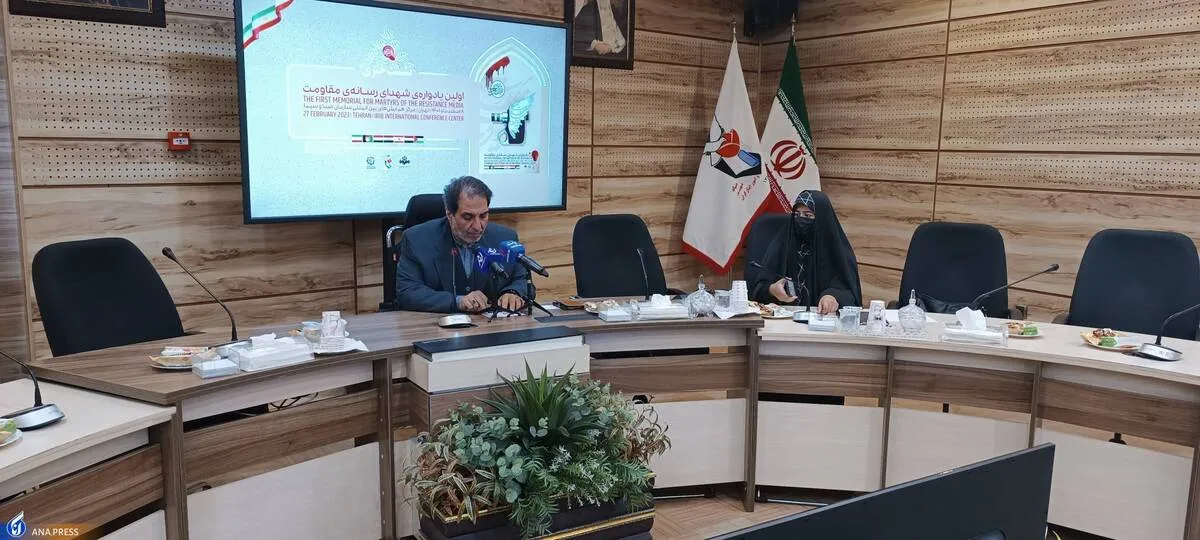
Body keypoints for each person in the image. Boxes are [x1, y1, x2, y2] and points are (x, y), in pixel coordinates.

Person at [394, 176, 531, 314]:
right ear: (449, 214)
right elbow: (407, 292)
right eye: (468, 217)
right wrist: (457, 301)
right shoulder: (416, 240)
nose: (477, 226)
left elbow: (522, 279)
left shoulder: (504, 238)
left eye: (483, 216)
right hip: (436, 324)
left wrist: (514, 292)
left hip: (492, 324)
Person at [751, 190, 861, 315]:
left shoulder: (836, 250)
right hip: (782, 318)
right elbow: (757, 289)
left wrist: (832, 296)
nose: (800, 219)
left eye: (808, 216)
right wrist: (772, 290)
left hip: (821, 319)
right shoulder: (783, 243)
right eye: (797, 214)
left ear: (822, 219)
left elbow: (850, 294)